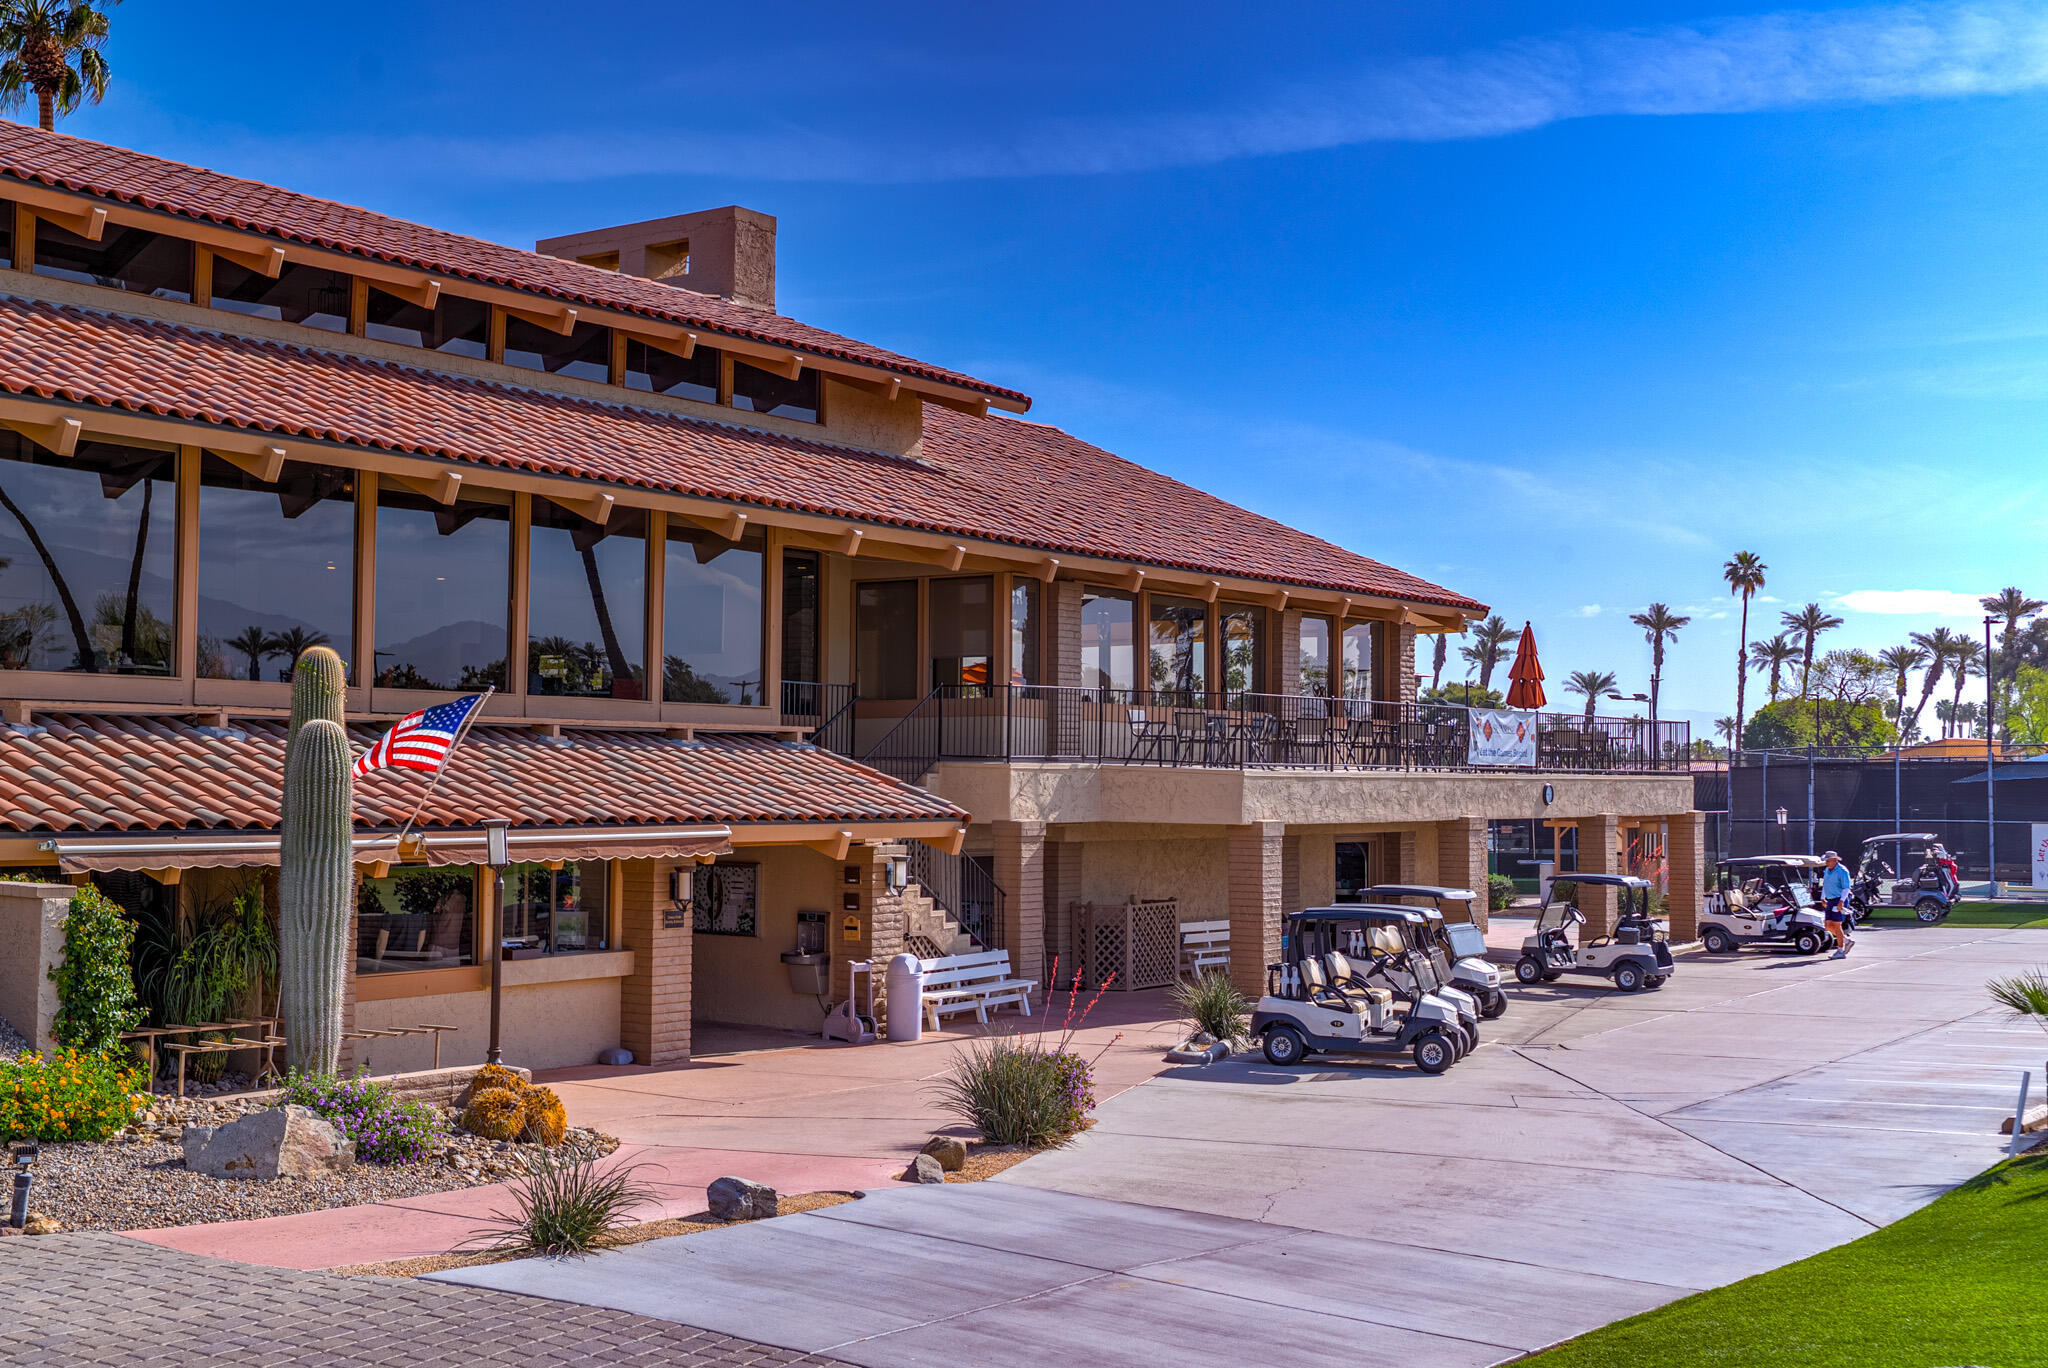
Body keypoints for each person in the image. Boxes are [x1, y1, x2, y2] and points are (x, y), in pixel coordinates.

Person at [1820, 850, 1854, 958]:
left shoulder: (1842, 871)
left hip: (1839, 899)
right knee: (1827, 925)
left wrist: (1841, 901)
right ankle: (1846, 941)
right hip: (1830, 900)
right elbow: (1826, 884)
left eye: (1828, 861)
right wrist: (1823, 898)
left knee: (1836, 925)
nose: (1826, 863)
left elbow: (1846, 887)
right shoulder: (1827, 870)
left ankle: (1840, 951)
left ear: (1834, 860)